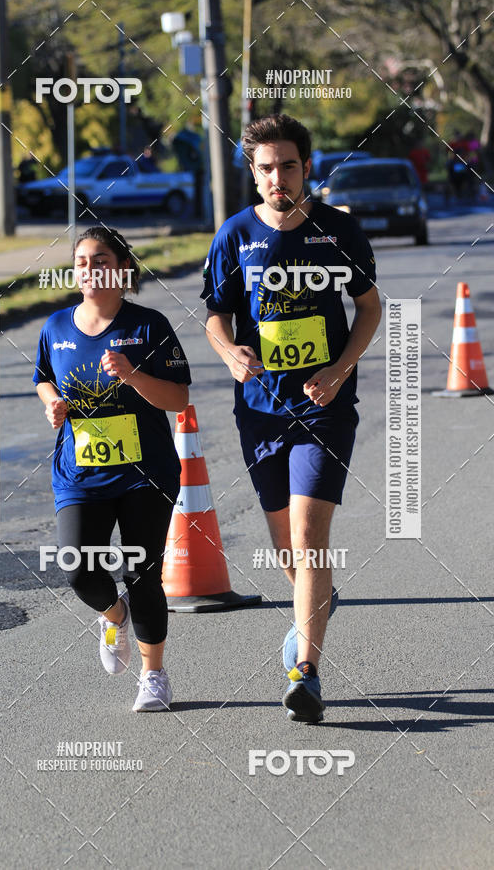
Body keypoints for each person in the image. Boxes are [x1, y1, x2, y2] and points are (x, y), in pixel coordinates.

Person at [201, 115, 382, 723]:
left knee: (308, 535)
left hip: (325, 406)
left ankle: (305, 671)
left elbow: (368, 308)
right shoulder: (234, 235)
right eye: (266, 167)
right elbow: (216, 317)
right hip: (259, 410)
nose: (278, 177)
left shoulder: (339, 232)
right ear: (252, 174)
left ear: (308, 167)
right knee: (286, 543)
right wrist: (230, 353)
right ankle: (316, 600)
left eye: (288, 165)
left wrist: (338, 370)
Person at [34, 226, 191, 711]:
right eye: (81, 260)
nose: (88, 268)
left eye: (100, 259)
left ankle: (154, 674)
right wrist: (53, 404)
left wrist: (132, 374)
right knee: (79, 567)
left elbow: (179, 397)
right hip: (80, 472)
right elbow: (42, 378)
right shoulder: (56, 327)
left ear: (122, 268)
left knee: (143, 571)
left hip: (146, 472)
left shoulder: (150, 326)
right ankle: (113, 614)